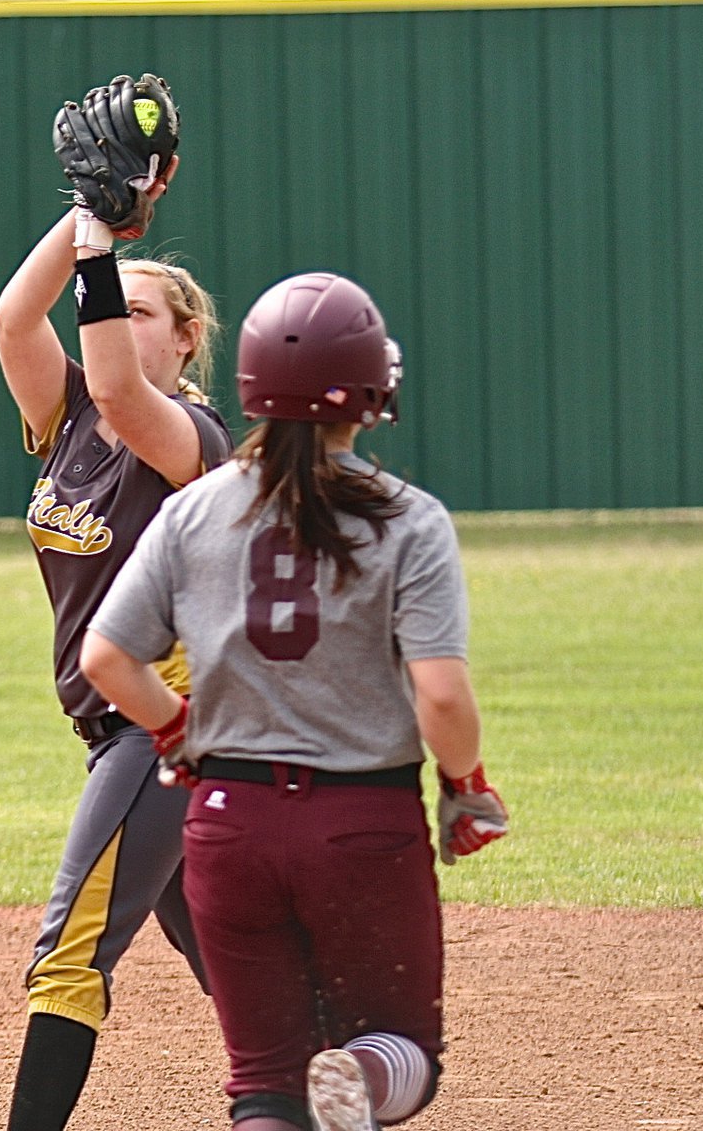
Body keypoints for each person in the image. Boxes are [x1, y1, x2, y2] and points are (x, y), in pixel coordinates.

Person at [79, 271, 509, 1131]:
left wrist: (179, 731)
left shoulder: (194, 510)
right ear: (371, 391)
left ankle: (304, 1095)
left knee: (263, 1087)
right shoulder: (408, 519)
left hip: (227, 821)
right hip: (362, 820)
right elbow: (440, 693)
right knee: (403, 1053)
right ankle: (356, 1074)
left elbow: (107, 658)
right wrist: (467, 786)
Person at [0, 155, 233, 1131]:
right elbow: (14, 319)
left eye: (140, 313)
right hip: (121, 732)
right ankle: (342, 1083)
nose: (118, 324)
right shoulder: (68, 420)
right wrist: (87, 215)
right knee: (232, 952)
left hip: (163, 729)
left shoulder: (194, 437)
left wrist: (100, 251)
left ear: (186, 341)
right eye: (111, 307)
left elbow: (125, 393)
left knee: (70, 954)